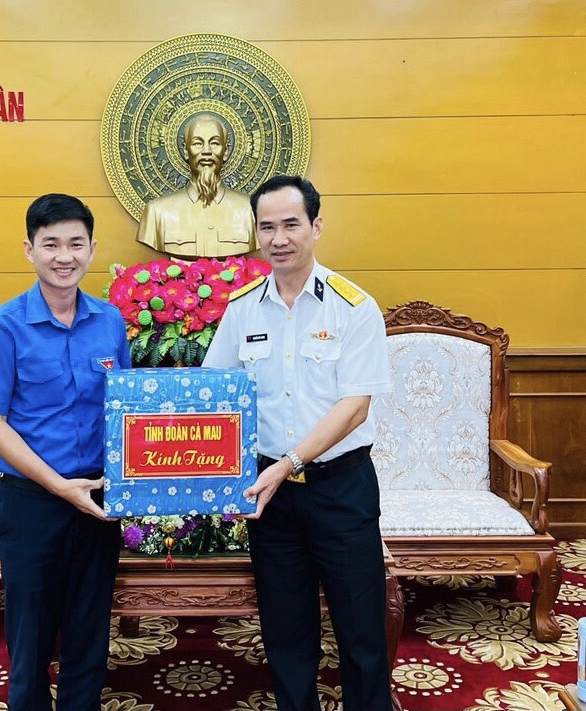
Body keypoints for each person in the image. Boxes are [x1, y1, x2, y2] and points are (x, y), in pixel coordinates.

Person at [202, 176, 393, 711]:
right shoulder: (242, 309)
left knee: (361, 631)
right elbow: (214, 395)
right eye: (267, 227)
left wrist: (289, 462)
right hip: (271, 496)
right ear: (256, 233)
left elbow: (355, 406)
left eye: (291, 224)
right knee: (285, 631)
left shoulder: (353, 307)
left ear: (316, 226)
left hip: (340, 489)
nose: (279, 238)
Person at [0, 193, 131, 711]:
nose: (65, 256)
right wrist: (59, 486)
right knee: (31, 633)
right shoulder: (3, 327)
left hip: (98, 498)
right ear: (30, 250)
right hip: (33, 501)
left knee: (89, 628)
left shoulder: (111, 322)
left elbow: (126, 412)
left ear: (92, 249)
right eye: (51, 244)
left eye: (76, 244)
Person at [136, 112, 257, 258]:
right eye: (197, 143)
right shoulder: (157, 212)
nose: (206, 151)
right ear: (186, 151)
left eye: (214, 143)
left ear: (225, 151)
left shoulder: (250, 210)